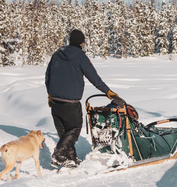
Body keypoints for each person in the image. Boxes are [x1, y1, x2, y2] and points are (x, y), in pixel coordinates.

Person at [45, 29, 121, 168]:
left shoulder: (57, 54)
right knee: (74, 128)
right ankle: (58, 155)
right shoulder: (80, 56)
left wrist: (50, 94)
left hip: (55, 102)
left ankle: (72, 158)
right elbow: (94, 77)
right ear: (81, 43)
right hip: (71, 102)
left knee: (64, 133)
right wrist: (108, 92)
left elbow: (48, 76)